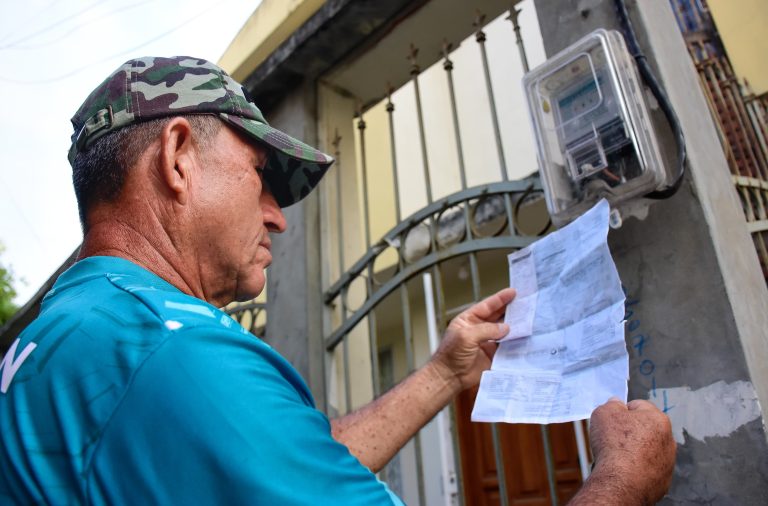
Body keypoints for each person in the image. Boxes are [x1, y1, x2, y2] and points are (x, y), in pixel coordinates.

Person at [0, 56, 675, 505]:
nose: (277, 219)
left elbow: (284, 464)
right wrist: (623, 480)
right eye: (262, 177)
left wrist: (443, 373)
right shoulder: (168, 352)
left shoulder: (65, 335)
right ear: (178, 157)